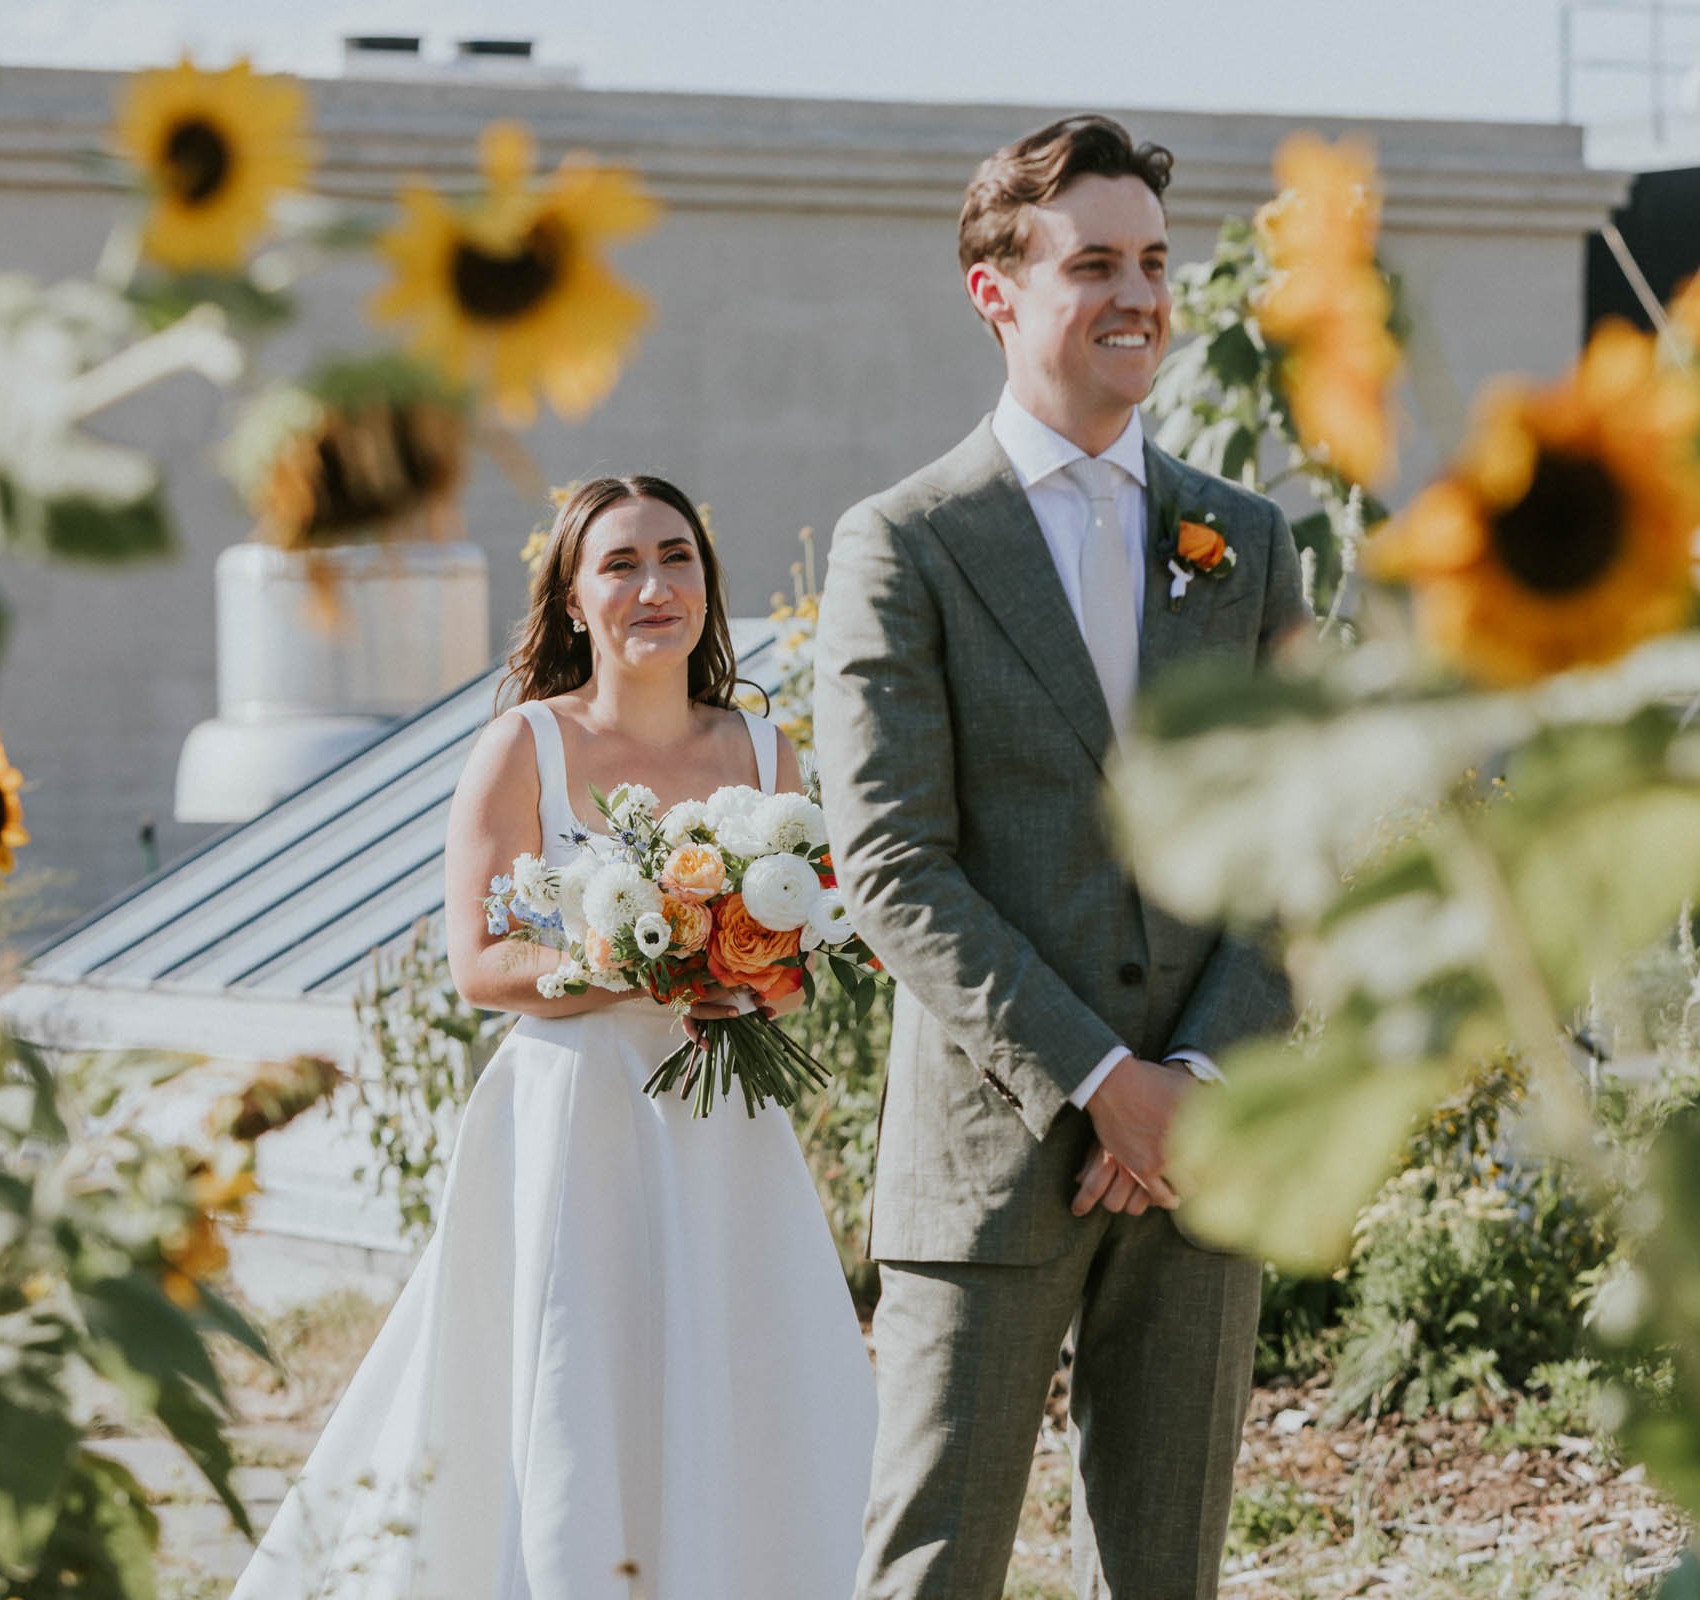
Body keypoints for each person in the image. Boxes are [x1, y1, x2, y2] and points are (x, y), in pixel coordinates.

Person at [815, 115, 1307, 1600]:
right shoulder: (906, 542)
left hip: (1204, 1164)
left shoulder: (1247, 539)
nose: (1138, 295)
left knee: (1168, 1578)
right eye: (1093, 262)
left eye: (1154, 261)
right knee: (932, 1571)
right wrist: (1107, 1084)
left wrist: (1198, 1083)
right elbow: (894, 865)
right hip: (989, 1156)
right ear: (996, 289)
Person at [231, 474, 876, 1599]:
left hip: (720, 1126)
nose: (655, 585)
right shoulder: (525, 745)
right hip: (572, 1116)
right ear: (575, 601)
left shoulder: (767, 760)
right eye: (620, 564)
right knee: (576, 1373)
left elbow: (793, 973)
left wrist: (740, 979)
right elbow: (482, 964)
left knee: (737, 1366)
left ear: (706, 585)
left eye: (677, 557)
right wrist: (638, 959)